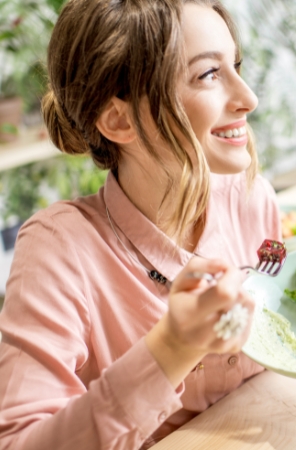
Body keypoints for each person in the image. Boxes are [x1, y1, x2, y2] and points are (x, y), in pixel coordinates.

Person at [0, 1, 281, 449]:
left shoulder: (252, 199)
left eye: (236, 66)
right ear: (119, 119)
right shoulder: (59, 249)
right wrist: (171, 349)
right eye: (209, 74)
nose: (249, 98)